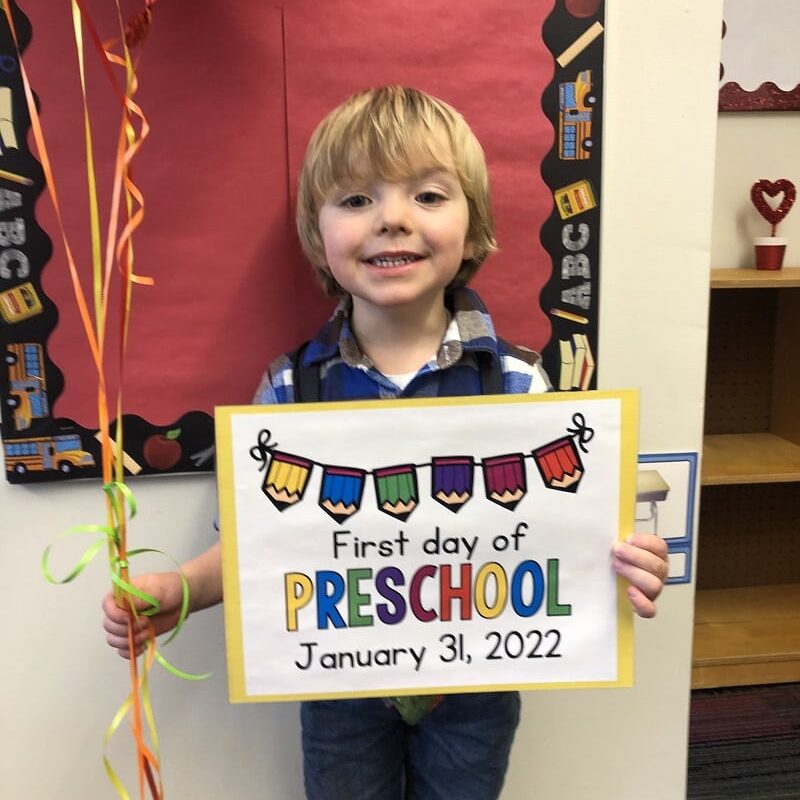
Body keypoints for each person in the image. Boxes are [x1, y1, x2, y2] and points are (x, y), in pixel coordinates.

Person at [103, 86, 669, 800]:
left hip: (476, 680)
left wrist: (625, 561)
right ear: (319, 233)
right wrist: (179, 590)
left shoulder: (521, 382)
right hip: (338, 683)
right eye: (356, 200)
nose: (393, 220)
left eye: (429, 197)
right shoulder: (289, 389)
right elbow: (253, 547)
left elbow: (565, 534)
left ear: (474, 226)